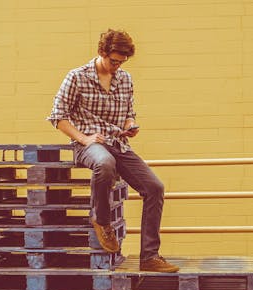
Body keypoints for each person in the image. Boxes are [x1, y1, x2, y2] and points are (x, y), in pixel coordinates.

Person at [47, 28, 179, 273]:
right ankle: (102, 221)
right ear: (101, 52)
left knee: (155, 187)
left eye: (122, 62)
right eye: (113, 61)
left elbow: (129, 113)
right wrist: (84, 138)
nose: (117, 66)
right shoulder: (76, 77)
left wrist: (130, 125)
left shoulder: (125, 79)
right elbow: (58, 117)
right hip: (89, 145)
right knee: (105, 163)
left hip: (119, 143)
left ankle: (149, 257)